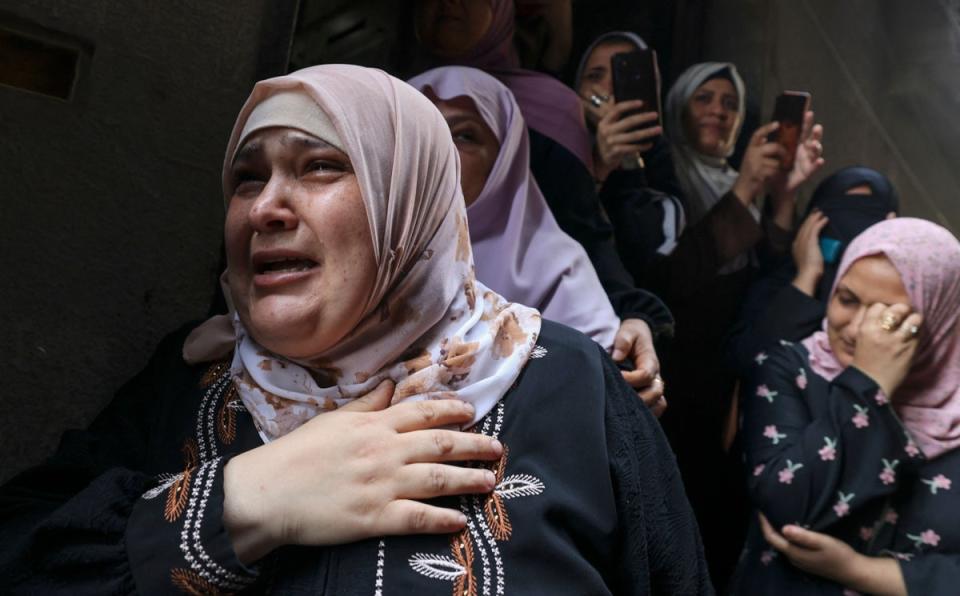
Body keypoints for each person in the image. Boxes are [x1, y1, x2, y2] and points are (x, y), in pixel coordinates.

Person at [0, 64, 711, 595]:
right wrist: (245, 501)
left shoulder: (571, 385)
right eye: (247, 178)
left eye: (319, 167)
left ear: (411, 203)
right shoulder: (191, 381)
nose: (267, 208)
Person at [413, 0, 677, 358]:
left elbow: (578, 228)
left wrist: (633, 313)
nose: (450, 4)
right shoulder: (380, 95)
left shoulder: (548, 112)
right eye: (420, 133)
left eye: (465, 136)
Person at [409, 64, 665, 412]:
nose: (439, 150)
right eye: (423, 132)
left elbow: (599, 406)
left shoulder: (556, 271)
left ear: (504, 161)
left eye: (464, 136)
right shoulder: (371, 259)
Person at [733, 217, 960, 595]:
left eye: (891, 316)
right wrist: (868, 385)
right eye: (847, 300)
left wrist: (859, 572)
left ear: (940, 319)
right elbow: (788, 509)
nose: (858, 331)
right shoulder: (790, 369)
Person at [727, 166, 900, 376]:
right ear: (810, 226)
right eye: (835, 220)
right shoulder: (777, 283)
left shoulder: (891, 310)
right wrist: (806, 277)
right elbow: (745, 360)